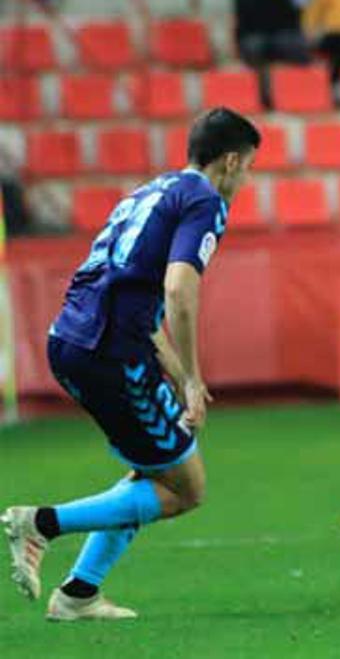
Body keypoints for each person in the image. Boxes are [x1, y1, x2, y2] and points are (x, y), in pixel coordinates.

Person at [2, 108, 260, 620]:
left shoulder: (151, 191)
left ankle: (78, 594)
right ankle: (41, 524)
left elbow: (143, 305)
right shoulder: (205, 201)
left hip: (74, 340)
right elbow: (179, 291)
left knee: (152, 467)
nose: (247, 178)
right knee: (187, 488)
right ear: (231, 161)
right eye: (249, 166)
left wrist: (181, 376)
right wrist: (193, 378)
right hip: (110, 351)